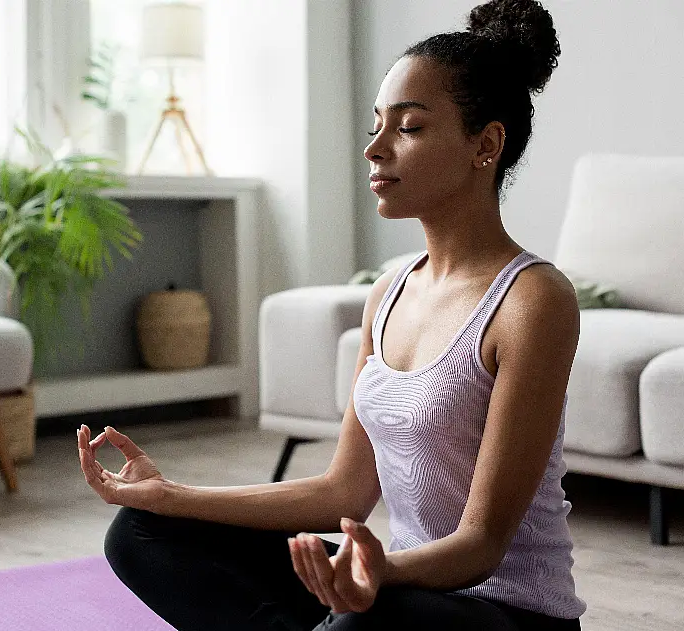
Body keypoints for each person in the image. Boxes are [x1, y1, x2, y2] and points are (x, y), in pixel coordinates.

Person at [77, 0, 585, 628]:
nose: (375, 148)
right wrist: (170, 494)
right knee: (142, 533)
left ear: (486, 144)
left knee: (360, 619)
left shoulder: (534, 301)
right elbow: (342, 493)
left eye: (409, 127)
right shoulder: (389, 291)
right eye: (377, 124)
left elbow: (480, 544)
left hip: (505, 613)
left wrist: (377, 575)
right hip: (397, 593)